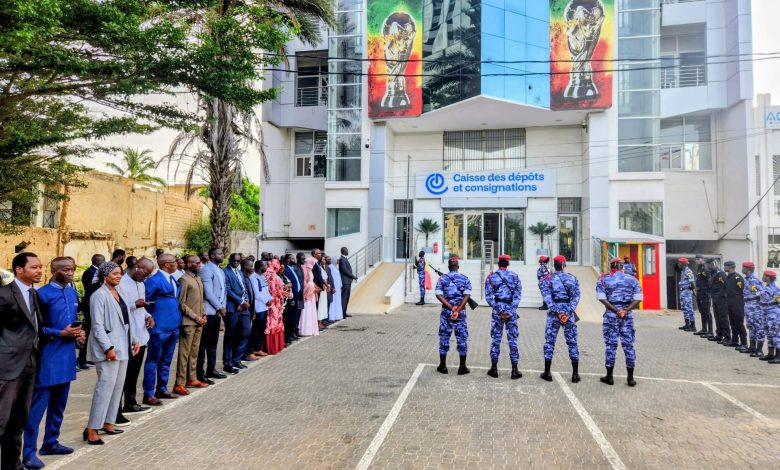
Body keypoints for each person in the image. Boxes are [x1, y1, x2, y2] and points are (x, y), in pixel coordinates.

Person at [22, 258, 85, 469]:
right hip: (48, 358)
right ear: (54, 270)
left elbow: (71, 321)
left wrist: (78, 334)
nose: (70, 273)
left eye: (72, 269)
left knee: (59, 405)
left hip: (67, 358)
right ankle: (28, 453)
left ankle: (50, 442)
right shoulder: (41, 294)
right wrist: (60, 333)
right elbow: (35, 327)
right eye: (65, 270)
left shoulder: (72, 292)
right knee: (37, 409)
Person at [83, 262, 139, 446]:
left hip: (124, 345)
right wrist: (108, 347)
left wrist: (134, 340)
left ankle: (108, 421)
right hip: (108, 348)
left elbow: (127, 319)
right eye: (115, 273)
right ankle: (92, 428)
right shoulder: (99, 295)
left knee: (117, 387)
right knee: (104, 387)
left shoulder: (119, 292)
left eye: (120, 273)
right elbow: (97, 325)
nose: (119, 276)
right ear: (105, 276)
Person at [0, 253, 44, 470]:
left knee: (18, 420)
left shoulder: (33, 294)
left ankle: (12, 465)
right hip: (7, 366)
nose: (39, 270)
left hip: (29, 364)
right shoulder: (4, 294)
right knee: (1, 420)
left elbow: (34, 327)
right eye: (34, 267)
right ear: (19, 270)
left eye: (40, 267)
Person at [142, 254, 182, 403]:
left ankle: (162, 388)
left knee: (166, 360)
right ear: (166, 264)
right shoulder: (154, 280)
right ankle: (149, 393)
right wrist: (150, 317)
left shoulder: (172, 279)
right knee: (153, 360)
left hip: (173, 326)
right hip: (159, 328)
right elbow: (145, 301)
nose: (177, 264)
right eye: (174, 262)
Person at [596, 258, 642, 387]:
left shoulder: (604, 279)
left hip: (611, 315)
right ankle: (630, 378)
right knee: (629, 345)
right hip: (627, 315)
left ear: (611, 266)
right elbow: (638, 298)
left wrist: (616, 310)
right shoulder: (632, 279)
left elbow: (602, 298)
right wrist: (625, 310)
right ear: (622, 266)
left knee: (611, 345)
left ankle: (609, 377)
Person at [116, 258, 155, 412]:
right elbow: (118, 308)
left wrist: (148, 316)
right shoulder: (121, 283)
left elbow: (141, 307)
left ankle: (130, 402)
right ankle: (116, 408)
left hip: (141, 334)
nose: (146, 277)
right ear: (137, 267)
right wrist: (134, 304)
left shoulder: (141, 284)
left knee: (134, 372)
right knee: (124, 374)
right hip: (128, 336)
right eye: (145, 273)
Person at [540, 255, 581, 384]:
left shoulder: (547, 278)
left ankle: (547, 373)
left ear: (554, 265)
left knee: (549, 342)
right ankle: (575, 374)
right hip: (568, 313)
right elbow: (576, 296)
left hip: (554, 314)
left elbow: (546, 297)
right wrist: (567, 312)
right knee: (572, 342)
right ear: (564, 265)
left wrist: (557, 311)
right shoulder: (572, 278)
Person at [173, 255, 208, 396]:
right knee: (184, 354)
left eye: (199, 263)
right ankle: (179, 383)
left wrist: (203, 315)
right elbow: (181, 304)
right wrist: (196, 317)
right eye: (196, 263)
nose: (200, 264)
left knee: (194, 352)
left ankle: (192, 378)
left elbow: (201, 300)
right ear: (188, 264)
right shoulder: (184, 279)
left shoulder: (197, 278)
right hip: (188, 322)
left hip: (199, 321)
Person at [484, 254, 522, 379]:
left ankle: (494, 369)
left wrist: (500, 310)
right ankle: (514, 370)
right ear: (508, 264)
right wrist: (510, 310)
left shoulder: (491, 277)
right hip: (511, 310)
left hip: (497, 311)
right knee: (513, 340)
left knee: (496, 339)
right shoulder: (515, 276)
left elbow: (489, 297)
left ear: (498, 263)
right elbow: (517, 296)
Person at [434, 257, 472, 375]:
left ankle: (443, 366)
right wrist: (458, 310)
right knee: (462, 338)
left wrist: (451, 307)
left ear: (448, 267)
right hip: (460, 313)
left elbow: (438, 295)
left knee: (444, 337)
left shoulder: (442, 278)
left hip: (447, 312)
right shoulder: (465, 278)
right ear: (458, 267)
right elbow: (467, 296)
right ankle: (462, 367)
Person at [199, 248, 227, 381]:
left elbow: (224, 291)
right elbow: (208, 292)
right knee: (203, 344)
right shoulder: (206, 270)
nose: (222, 255)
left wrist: (223, 307)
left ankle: (212, 369)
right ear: (212, 256)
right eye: (219, 254)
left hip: (217, 313)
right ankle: (200, 373)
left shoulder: (220, 270)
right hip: (209, 312)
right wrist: (219, 307)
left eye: (222, 253)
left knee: (213, 344)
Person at [223, 253, 250, 373]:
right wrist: (240, 301)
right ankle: (227, 363)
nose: (236, 262)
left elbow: (245, 288)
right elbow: (227, 289)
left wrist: (246, 300)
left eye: (238, 261)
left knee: (246, 332)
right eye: (234, 260)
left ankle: (237, 359)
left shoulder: (240, 272)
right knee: (230, 336)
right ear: (229, 260)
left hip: (244, 308)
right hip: (233, 308)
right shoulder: (225, 272)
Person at [79, 253, 105, 370]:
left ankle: (88, 356)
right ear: (98, 262)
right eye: (103, 261)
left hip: (93, 303)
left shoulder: (96, 272)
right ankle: (82, 358)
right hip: (89, 304)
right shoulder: (89, 272)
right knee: (89, 330)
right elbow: (91, 287)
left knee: (93, 331)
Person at [723, 261, 748, 350]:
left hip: (738, 304)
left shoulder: (738, 278)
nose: (724, 267)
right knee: (732, 322)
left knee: (739, 323)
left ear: (730, 267)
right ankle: (735, 341)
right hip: (730, 303)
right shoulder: (727, 278)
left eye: (725, 266)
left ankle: (744, 343)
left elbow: (742, 291)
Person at [742, 262, 764, 356]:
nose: (742, 269)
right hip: (748, 305)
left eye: (743, 268)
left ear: (748, 269)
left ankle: (759, 350)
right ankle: (752, 347)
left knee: (758, 327)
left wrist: (757, 305)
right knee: (751, 327)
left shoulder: (753, 280)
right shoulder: (747, 279)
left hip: (755, 307)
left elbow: (760, 293)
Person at [264, 259, 286, 353]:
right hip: (273, 302)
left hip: (268, 301)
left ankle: (268, 346)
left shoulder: (265, 273)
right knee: (273, 323)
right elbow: (274, 290)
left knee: (269, 323)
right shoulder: (272, 274)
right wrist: (282, 295)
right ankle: (272, 346)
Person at [707, 259, 731, 344]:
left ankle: (727, 337)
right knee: (717, 317)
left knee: (723, 318)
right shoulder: (712, 273)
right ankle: (719, 335)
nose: (707, 266)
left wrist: (720, 296)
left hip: (722, 299)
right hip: (715, 299)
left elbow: (724, 287)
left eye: (708, 264)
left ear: (713, 264)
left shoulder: (720, 274)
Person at [250, 261, 271, 356]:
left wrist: (270, 299)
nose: (267, 267)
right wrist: (266, 300)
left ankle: (258, 348)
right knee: (256, 329)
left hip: (265, 306)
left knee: (261, 328)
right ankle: (253, 348)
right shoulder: (253, 277)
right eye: (265, 265)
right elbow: (256, 293)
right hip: (258, 307)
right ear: (260, 266)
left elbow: (266, 290)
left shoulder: (262, 276)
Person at [241, 259, 260, 362]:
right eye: (250, 266)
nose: (252, 268)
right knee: (245, 333)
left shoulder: (248, 277)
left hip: (250, 309)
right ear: (245, 266)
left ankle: (247, 352)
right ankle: (245, 354)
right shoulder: (242, 277)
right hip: (244, 309)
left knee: (248, 332)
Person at [759, 270, 780, 363]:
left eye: (764, 275)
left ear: (768, 277)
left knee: (776, 334)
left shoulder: (775, 289)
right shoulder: (765, 287)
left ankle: (778, 356)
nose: (762, 277)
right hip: (765, 313)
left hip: (773, 314)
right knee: (769, 334)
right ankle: (771, 354)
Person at [283, 254, 302, 345]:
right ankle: (289, 335)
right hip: (292, 296)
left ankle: (293, 332)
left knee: (297, 314)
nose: (294, 259)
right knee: (291, 316)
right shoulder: (286, 269)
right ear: (288, 260)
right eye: (292, 258)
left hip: (298, 294)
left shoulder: (293, 268)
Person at [299, 257, 320, 337]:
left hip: (311, 293)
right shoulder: (305, 269)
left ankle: (310, 329)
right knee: (306, 311)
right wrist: (313, 289)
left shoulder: (310, 270)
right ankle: (304, 330)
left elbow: (311, 281)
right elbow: (304, 283)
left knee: (311, 311)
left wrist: (316, 287)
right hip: (307, 294)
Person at [694, 255, 714, 338]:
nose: (698, 260)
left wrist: (706, 290)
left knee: (707, 312)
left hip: (705, 292)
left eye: (699, 259)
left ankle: (710, 331)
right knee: (702, 311)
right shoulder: (700, 268)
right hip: (700, 292)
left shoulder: (705, 268)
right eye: (696, 259)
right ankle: (704, 329)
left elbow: (709, 281)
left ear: (703, 259)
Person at [677, 258, 696, 332]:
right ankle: (687, 324)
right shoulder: (683, 271)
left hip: (687, 291)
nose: (678, 264)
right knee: (684, 308)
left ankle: (693, 326)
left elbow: (692, 282)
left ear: (683, 263)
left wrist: (693, 290)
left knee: (689, 308)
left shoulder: (688, 271)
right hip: (683, 292)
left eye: (679, 263)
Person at [338, 247, 357, 317]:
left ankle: (344, 312)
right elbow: (345, 270)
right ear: (343, 251)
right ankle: (342, 313)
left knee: (347, 297)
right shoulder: (342, 259)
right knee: (344, 297)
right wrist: (353, 276)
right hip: (345, 281)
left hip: (348, 281)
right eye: (346, 250)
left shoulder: (344, 259)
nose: (347, 251)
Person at [328, 256, 344, 323]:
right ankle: (332, 316)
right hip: (334, 287)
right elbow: (330, 277)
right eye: (337, 260)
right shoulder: (330, 267)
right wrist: (332, 286)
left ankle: (338, 316)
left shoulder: (336, 267)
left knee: (338, 301)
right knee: (333, 301)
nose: (338, 261)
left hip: (338, 287)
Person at [317, 256, 330, 330]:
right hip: (322, 288)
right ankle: (319, 323)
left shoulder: (322, 268)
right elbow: (322, 279)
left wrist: (327, 286)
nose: (324, 260)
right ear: (320, 260)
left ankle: (321, 322)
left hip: (324, 288)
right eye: (323, 259)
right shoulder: (319, 268)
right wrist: (327, 286)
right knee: (321, 306)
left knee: (324, 306)